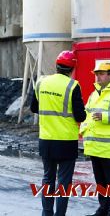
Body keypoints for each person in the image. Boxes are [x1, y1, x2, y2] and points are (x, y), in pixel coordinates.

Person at [31, 50, 86, 216]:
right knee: (63, 182)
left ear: (56, 66)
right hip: (66, 142)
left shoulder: (41, 82)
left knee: (48, 178)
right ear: (72, 68)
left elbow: (34, 107)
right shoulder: (72, 86)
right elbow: (80, 116)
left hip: (46, 140)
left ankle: (46, 213)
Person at [81, 62, 110, 216]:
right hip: (94, 146)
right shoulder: (94, 94)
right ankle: (103, 208)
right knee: (100, 181)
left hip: (109, 148)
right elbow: (87, 114)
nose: (98, 76)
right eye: (96, 73)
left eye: (101, 73)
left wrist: (105, 117)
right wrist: (83, 130)